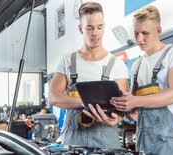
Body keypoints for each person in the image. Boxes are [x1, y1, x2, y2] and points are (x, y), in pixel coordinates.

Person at [110, 5, 173, 154]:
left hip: (172, 145)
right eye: (136, 33)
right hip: (144, 144)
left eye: (145, 33)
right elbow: (135, 107)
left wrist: (135, 101)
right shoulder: (136, 65)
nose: (139, 39)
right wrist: (122, 108)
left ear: (159, 30)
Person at [48, 2, 129, 149]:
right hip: (73, 138)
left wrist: (116, 118)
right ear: (80, 29)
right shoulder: (67, 61)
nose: (95, 33)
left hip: (106, 137)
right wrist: (86, 102)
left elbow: (122, 106)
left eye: (99, 27)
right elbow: (53, 97)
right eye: (89, 28)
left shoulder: (117, 64)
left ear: (104, 26)